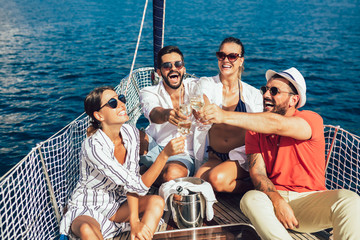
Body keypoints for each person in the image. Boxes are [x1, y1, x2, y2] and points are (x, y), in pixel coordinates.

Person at [201, 67, 360, 239]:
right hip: (273, 199)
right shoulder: (255, 131)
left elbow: (278, 125)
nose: (266, 95)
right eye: (265, 89)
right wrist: (277, 201)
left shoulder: (310, 120)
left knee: (350, 199)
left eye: (274, 91)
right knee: (250, 199)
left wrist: (222, 116)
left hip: (310, 200)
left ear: (293, 100)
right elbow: (258, 173)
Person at [59, 86, 185, 240]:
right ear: (99, 115)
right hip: (87, 207)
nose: (121, 104)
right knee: (87, 230)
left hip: (116, 206)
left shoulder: (130, 133)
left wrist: (135, 222)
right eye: (112, 103)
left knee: (157, 202)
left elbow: (132, 182)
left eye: (121, 99)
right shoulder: (93, 146)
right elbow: (137, 185)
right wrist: (164, 154)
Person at [193, 37, 263, 193]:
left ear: (241, 61)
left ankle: (253, 188)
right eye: (221, 55)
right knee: (196, 184)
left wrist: (222, 114)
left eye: (232, 56)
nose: (226, 60)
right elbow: (199, 99)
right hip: (215, 156)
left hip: (241, 158)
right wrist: (200, 110)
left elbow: (260, 123)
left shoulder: (253, 95)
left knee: (217, 179)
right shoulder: (207, 83)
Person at [139, 45, 197, 185]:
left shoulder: (196, 86)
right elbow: (153, 112)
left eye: (178, 64)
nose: (173, 68)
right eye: (166, 66)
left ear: (183, 68)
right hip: (155, 147)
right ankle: (152, 170)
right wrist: (167, 114)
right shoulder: (148, 92)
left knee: (171, 175)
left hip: (183, 154)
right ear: (159, 72)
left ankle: (143, 175)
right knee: (127, 134)